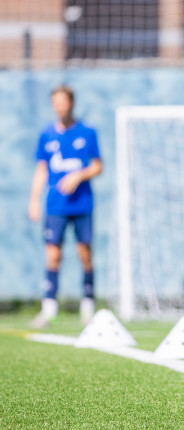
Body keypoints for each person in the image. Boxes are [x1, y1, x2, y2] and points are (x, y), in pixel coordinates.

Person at [28, 85, 102, 328]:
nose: (59, 106)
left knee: (85, 255)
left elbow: (97, 166)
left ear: (71, 103)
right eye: (55, 102)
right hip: (55, 206)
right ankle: (49, 309)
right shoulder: (46, 134)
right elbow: (41, 169)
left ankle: (88, 307)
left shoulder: (87, 132)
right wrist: (34, 200)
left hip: (82, 204)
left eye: (63, 102)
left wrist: (78, 176)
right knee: (53, 255)